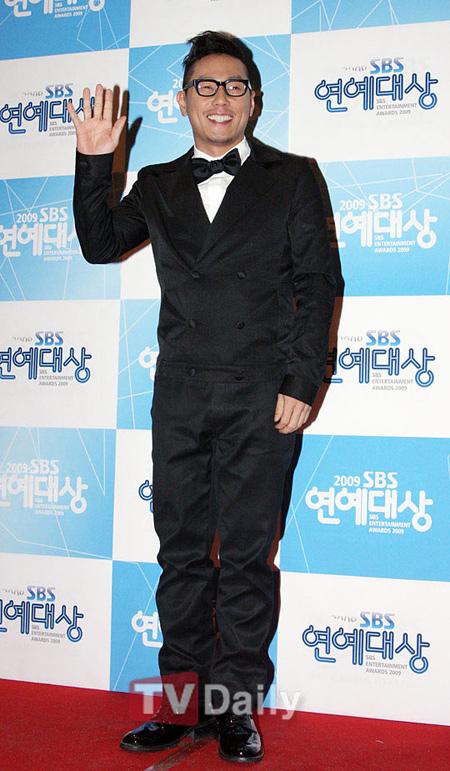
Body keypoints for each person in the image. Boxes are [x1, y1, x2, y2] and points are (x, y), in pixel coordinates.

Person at [69, 30, 337, 764]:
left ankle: (236, 709)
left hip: (262, 397)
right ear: (184, 100)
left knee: (247, 557)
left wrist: (302, 381)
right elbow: (100, 244)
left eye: (235, 86)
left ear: (255, 99)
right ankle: (183, 705)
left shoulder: (292, 176)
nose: (221, 98)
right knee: (183, 555)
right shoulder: (157, 182)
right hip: (182, 394)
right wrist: (95, 163)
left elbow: (318, 283)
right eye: (206, 86)